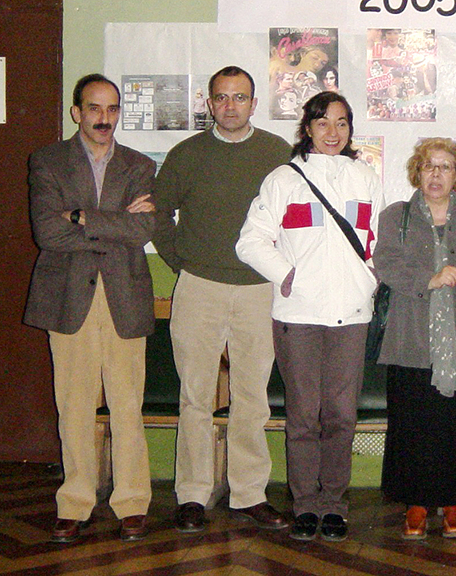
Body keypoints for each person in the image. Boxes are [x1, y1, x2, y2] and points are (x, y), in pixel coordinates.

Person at [236, 92, 383, 543]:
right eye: (323, 123)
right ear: (308, 128)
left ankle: (334, 504)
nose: (333, 133)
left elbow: (375, 240)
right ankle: (304, 504)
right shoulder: (284, 179)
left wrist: (369, 282)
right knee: (303, 416)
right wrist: (288, 275)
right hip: (298, 315)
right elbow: (250, 242)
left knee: (340, 414)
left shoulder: (365, 177)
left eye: (342, 123)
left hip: (352, 316)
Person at [152, 66, 292, 534]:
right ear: (209, 104)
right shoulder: (186, 154)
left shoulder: (278, 153)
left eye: (240, 97)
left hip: (258, 290)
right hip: (199, 288)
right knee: (195, 396)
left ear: (254, 103)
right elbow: (157, 212)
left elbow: (294, 220)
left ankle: (249, 492)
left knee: (252, 398)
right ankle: (193, 493)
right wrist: (181, 263)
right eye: (222, 98)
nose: (230, 106)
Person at [25, 74, 156, 543]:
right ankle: (75, 501)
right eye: (94, 108)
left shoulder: (139, 165)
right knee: (74, 403)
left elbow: (143, 232)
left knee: (127, 404)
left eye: (112, 109)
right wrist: (114, 222)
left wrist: (79, 215)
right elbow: (47, 231)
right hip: (68, 295)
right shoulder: (48, 161)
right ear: (77, 112)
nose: (104, 118)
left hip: (124, 293)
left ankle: (132, 502)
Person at [373, 138, 456, 540]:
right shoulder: (397, 216)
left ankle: (455, 502)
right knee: (414, 425)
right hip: (412, 339)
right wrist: (429, 279)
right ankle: (415, 503)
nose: (436, 174)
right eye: (429, 165)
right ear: (417, 170)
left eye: (446, 167)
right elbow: (386, 264)